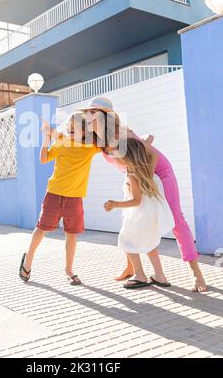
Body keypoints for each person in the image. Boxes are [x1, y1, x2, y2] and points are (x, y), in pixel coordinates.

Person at [80, 97, 207, 293]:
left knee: (176, 220)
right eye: (86, 113)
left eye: (92, 113)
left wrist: (144, 180)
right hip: (137, 178)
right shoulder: (99, 140)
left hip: (159, 174)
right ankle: (132, 268)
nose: (87, 117)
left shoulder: (121, 135)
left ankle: (197, 273)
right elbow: (143, 143)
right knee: (130, 221)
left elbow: (153, 155)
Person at [19, 111, 101, 286]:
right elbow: (43, 159)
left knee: (71, 234)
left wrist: (96, 120)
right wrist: (48, 138)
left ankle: (69, 270)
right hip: (54, 194)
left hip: (75, 197)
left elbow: (110, 141)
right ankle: (28, 261)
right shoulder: (62, 142)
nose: (70, 129)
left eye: (75, 127)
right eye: (69, 126)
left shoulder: (91, 146)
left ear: (85, 131)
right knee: (42, 228)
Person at [104, 138, 175, 289]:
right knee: (150, 245)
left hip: (137, 217)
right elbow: (154, 154)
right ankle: (160, 276)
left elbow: (136, 201)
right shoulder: (147, 170)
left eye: (118, 155)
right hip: (150, 218)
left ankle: (140, 275)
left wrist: (115, 204)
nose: (115, 158)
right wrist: (144, 143)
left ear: (127, 156)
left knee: (126, 242)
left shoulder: (133, 175)